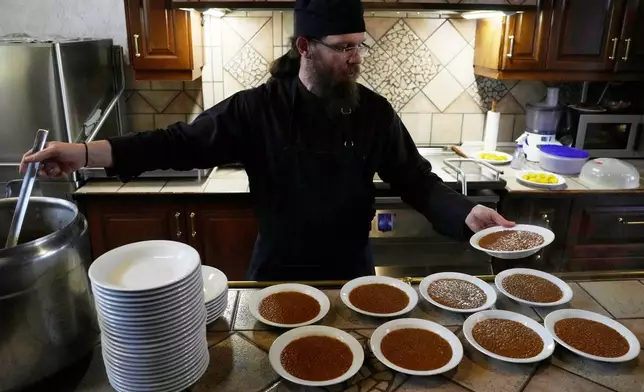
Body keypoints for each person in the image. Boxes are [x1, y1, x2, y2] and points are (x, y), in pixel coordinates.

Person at [21, 0, 514, 281]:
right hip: (276, 269)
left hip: (351, 270)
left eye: (359, 46)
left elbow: (418, 182)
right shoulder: (255, 109)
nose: (356, 58)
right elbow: (173, 143)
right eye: (344, 48)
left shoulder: (373, 112)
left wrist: (466, 214)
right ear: (305, 47)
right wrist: (82, 153)